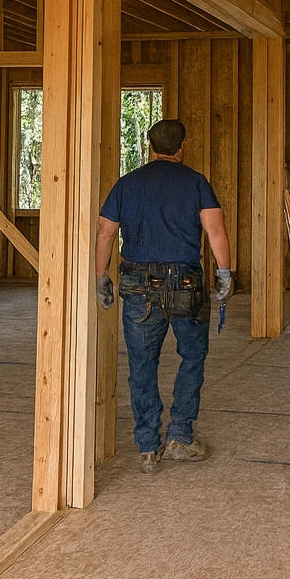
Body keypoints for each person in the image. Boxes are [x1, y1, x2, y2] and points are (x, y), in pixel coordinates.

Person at [95, 118, 233, 475]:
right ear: (182, 146)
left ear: (149, 146)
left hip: (138, 284)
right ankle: (180, 438)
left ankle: (146, 447)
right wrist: (224, 272)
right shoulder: (196, 183)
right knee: (192, 356)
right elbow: (215, 230)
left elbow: (106, 232)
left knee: (142, 363)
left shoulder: (126, 184)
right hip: (186, 284)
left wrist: (100, 276)